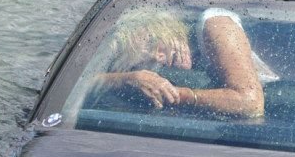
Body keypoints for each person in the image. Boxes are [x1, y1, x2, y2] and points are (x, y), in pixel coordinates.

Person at [95, 9, 270, 117]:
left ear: (166, 27)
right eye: (148, 62)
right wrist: (127, 78)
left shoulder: (215, 24)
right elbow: (80, 81)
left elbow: (251, 103)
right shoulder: (190, 70)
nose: (160, 58)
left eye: (155, 44)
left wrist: (172, 94)